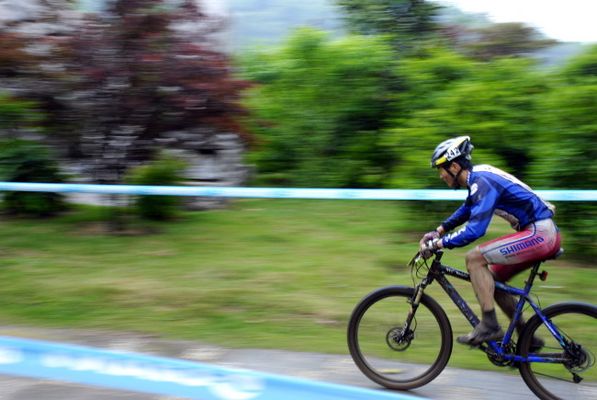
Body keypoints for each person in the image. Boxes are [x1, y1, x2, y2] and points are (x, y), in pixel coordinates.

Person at [419, 136, 561, 346]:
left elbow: (475, 230)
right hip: (539, 233)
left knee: (474, 259)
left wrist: (438, 244)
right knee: (491, 281)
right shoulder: (478, 178)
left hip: (540, 234)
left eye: (441, 169)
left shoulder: (481, 181)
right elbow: (468, 208)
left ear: (455, 166)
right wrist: (439, 230)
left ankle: (490, 325)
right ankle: (526, 336)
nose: (440, 176)